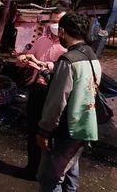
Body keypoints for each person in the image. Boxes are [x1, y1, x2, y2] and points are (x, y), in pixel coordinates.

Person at [36, 12, 100, 191]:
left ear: (62, 31)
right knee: (70, 172)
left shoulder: (68, 60)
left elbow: (57, 101)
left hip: (65, 129)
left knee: (50, 178)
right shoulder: (91, 55)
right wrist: (49, 75)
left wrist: (44, 131)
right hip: (84, 126)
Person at [15, 9, 67, 181]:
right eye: (52, 21)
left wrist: (46, 65)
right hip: (38, 89)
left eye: (58, 21)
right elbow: (30, 57)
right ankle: (31, 169)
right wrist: (24, 58)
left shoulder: (68, 47)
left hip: (55, 92)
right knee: (32, 131)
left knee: (51, 134)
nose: (54, 25)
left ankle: (51, 174)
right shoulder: (42, 40)